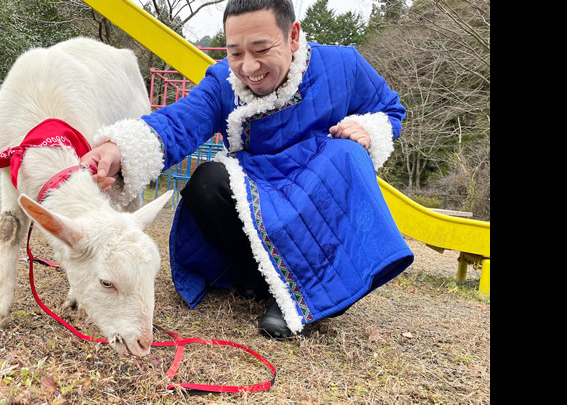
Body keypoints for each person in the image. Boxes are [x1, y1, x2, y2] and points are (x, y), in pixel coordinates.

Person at [81, 0, 414, 338]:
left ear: (293, 36)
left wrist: (368, 130)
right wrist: (118, 148)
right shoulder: (222, 82)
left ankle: (306, 297)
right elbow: (179, 121)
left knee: (347, 153)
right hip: (261, 186)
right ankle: (256, 274)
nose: (248, 66)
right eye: (235, 53)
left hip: (318, 184)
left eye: (260, 49)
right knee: (206, 181)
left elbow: (388, 108)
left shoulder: (344, 65)